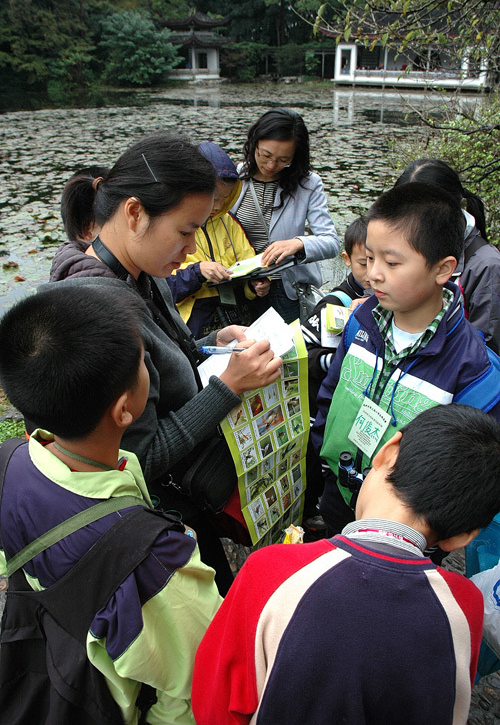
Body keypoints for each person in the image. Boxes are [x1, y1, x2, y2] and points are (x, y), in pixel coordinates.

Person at [47, 133, 283, 594]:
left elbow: (164, 355)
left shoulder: (135, 270)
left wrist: (212, 342)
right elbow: (139, 457)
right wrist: (228, 388)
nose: (193, 249)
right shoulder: (98, 313)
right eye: (185, 231)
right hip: (153, 514)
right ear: (134, 213)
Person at [192, 404, 500, 725]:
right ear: (462, 537)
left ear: (388, 451)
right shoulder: (464, 607)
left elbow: (213, 703)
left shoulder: (270, 570)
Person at [0, 285, 222, 725]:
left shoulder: (9, 460)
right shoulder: (155, 563)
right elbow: (196, 687)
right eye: (144, 360)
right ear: (125, 410)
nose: (149, 365)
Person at [311, 182, 500, 538]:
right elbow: (331, 391)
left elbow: (470, 471)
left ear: (442, 269)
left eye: (392, 262)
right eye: (368, 259)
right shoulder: (361, 321)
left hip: (406, 524)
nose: (373, 274)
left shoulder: (473, 371)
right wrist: (324, 453)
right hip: (341, 487)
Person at [230, 108, 340, 323]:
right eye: (266, 155)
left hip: (284, 290)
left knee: (287, 354)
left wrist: (297, 243)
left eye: (283, 160)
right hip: (239, 287)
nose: (271, 166)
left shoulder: (307, 184)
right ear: (254, 144)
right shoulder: (235, 176)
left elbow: (331, 242)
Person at [394, 158, 500, 353]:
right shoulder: (411, 244)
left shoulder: (486, 267)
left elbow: (487, 352)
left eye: (419, 219)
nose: (409, 229)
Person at [171, 141, 270, 338]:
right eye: (213, 198)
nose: (218, 205)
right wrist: (198, 272)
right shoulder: (173, 223)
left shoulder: (230, 222)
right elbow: (163, 287)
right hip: (194, 319)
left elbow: (249, 262)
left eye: (225, 198)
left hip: (234, 312)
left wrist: (257, 284)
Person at [301, 216, 371, 418]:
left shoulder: (391, 300)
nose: (372, 273)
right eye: (363, 263)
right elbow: (302, 352)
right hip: (325, 405)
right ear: (347, 259)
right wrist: (336, 361)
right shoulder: (335, 303)